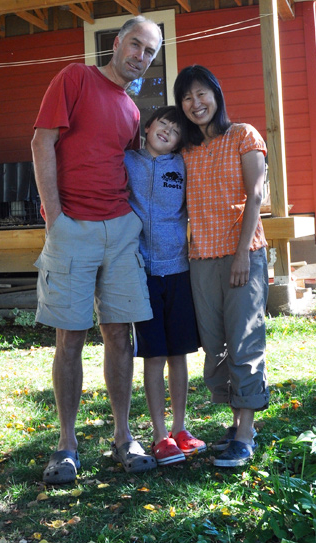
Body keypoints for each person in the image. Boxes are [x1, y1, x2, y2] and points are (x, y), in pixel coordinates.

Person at [31, 15, 163, 485]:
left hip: (121, 228)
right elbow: (41, 142)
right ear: (117, 42)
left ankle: (123, 436)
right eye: (135, 45)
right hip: (73, 228)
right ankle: (67, 445)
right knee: (70, 337)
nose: (140, 56)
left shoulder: (130, 109)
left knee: (120, 334)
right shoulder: (75, 78)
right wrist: (55, 216)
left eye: (149, 52)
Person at [174, 64, 269, 468]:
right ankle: (236, 424)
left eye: (202, 93)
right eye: (187, 97)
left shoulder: (243, 135)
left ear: (216, 94)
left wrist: (242, 253)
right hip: (200, 259)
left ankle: (246, 434)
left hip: (241, 254)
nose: (196, 103)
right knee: (214, 345)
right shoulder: (186, 150)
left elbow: (256, 195)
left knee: (244, 341)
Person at [125, 106, 206, 466]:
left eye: (176, 130)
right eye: (163, 123)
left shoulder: (182, 165)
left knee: (179, 355)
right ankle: (159, 436)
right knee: (154, 355)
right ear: (147, 127)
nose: (168, 131)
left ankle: (180, 429)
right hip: (142, 271)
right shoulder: (127, 161)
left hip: (178, 270)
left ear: (180, 140)